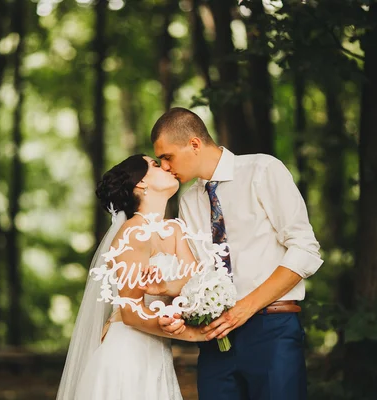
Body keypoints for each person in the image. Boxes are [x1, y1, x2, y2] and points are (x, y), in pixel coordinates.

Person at [150, 107, 324, 400]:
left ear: (194, 144)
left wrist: (246, 307)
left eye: (167, 157)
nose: (164, 166)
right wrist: (170, 299)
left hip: (272, 329)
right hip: (215, 337)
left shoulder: (263, 170)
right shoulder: (189, 201)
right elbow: (197, 273)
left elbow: (305, 248)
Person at [56, 154, 207, 400]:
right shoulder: (133, 233)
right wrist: (190, 334)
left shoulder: (175, 229)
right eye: (156, 165)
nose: (166, 167)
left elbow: (195, 280)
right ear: (141, 183)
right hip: (127, 357)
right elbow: (130, 312)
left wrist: (164, 287)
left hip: (157, 354)